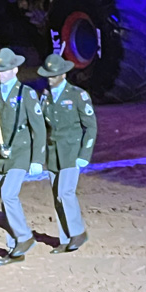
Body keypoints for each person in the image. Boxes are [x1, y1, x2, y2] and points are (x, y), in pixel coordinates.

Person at [0, 48, 46, 266]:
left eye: (5, 70)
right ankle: (14, 248)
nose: (1, 74)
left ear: (15, 70)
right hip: (0, 154)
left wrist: (37, 159)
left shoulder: (26, 94)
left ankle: (25, 238)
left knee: (9, 195)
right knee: (5, 201)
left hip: (20, 152)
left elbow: (39, 129)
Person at [37, 54, 97, 254]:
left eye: (53, 75)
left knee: (65, 193)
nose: (49, 78)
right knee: (57, 196)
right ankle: (65, 237)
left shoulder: (77, 95)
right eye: (48, 74)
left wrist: (84, 154)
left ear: (63, 74)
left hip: (71, 152)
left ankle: (78, 232)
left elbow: (90, 126)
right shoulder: (45, 96)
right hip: (54, 152)